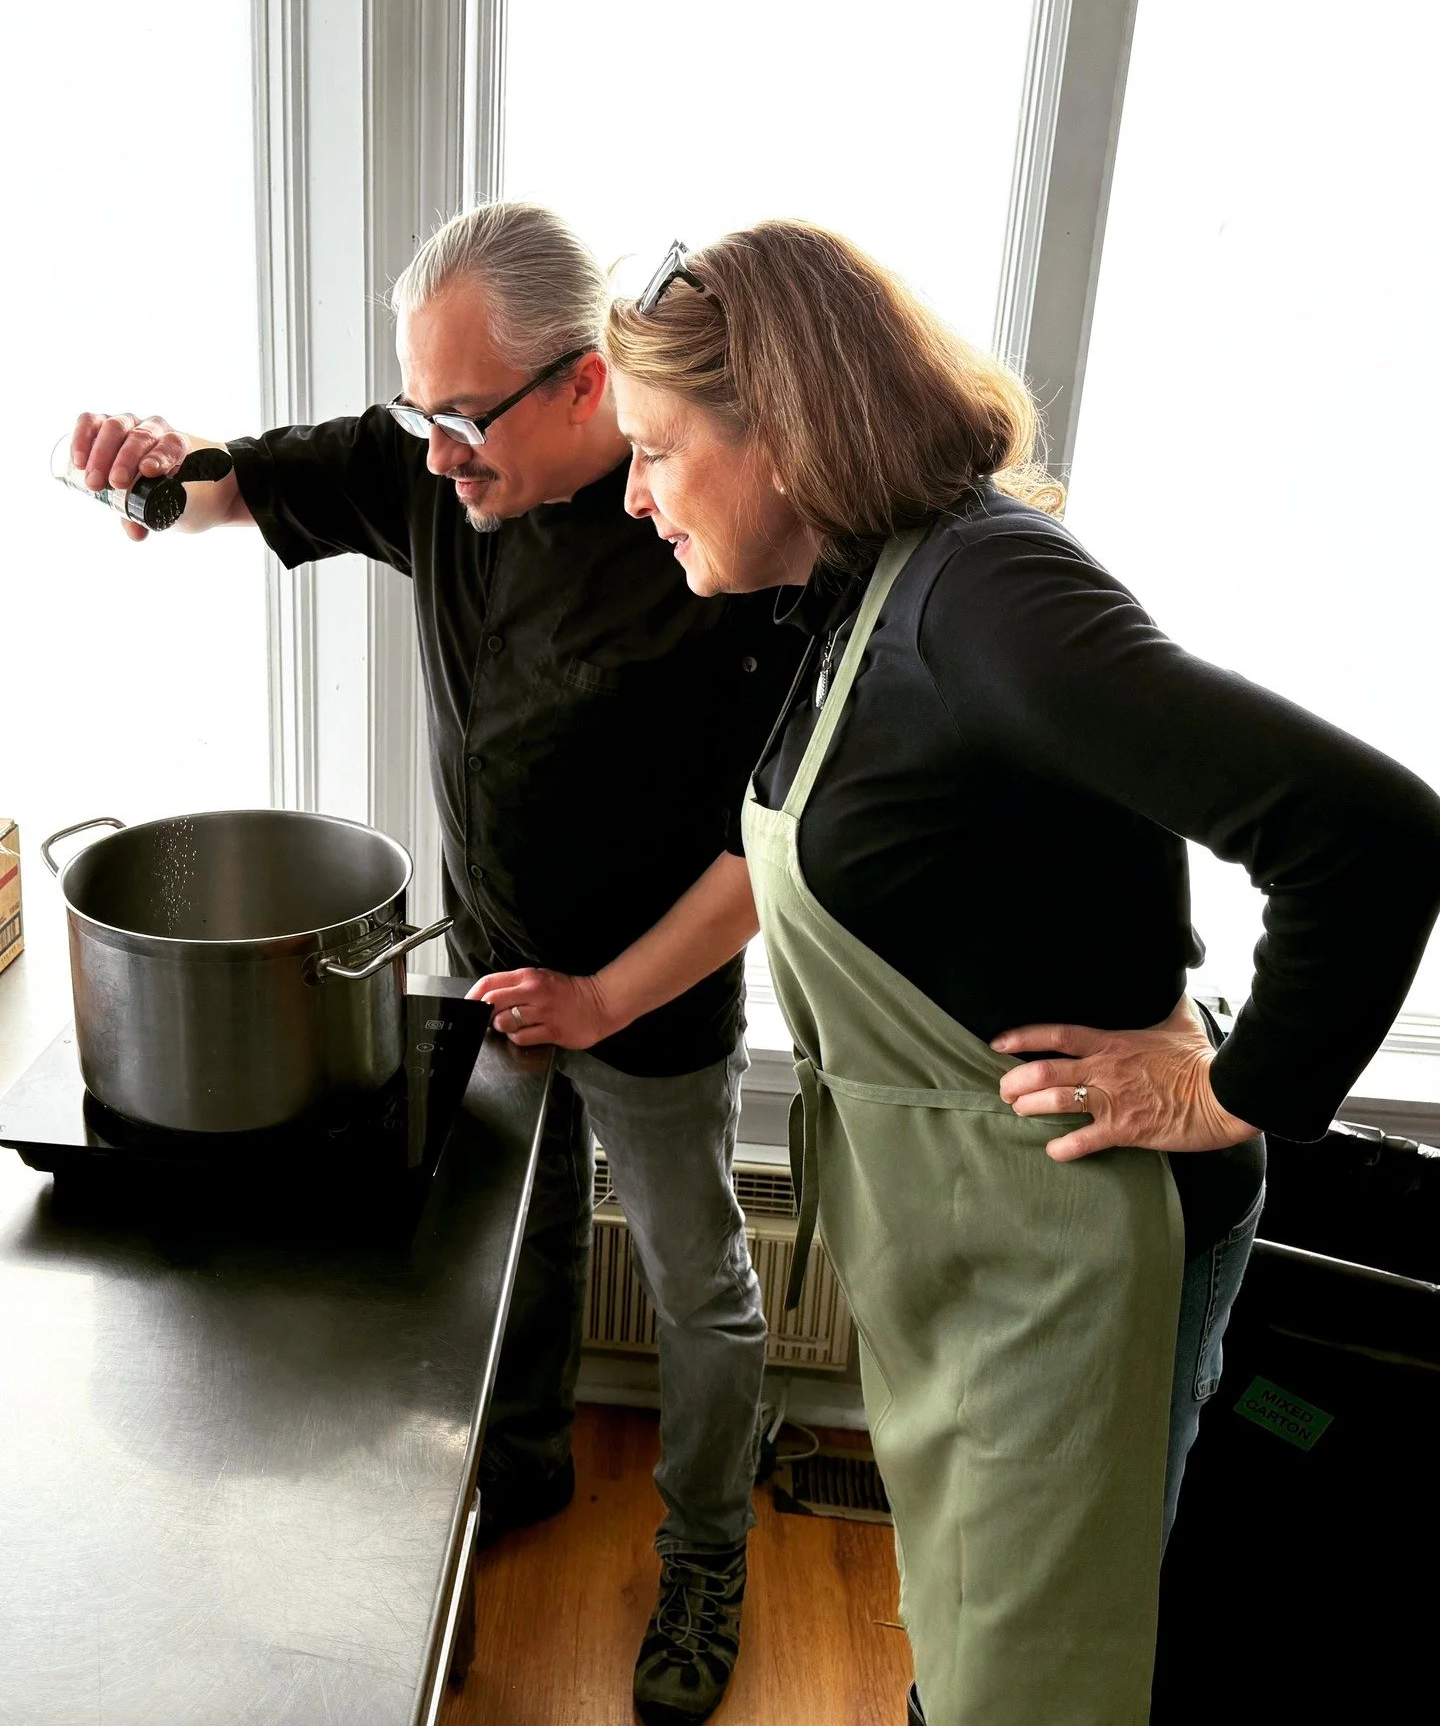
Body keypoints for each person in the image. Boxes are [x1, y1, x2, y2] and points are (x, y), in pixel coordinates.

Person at [603, 222, 1440, 1726]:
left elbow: (1370, 834)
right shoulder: (854, 588)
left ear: (780, 433)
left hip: (1085, 1249)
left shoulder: (991, 601)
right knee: (990, 1639)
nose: (635, 493)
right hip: (987, 1246)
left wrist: (1237, 1092)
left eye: (655, 450)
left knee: (1042, 1686)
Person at [67, 201, 804, 1726]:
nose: (436, 451)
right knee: (513, 1249)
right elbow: (227, 487)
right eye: (419, 410)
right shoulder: (432, 469)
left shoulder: (710, 526)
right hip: (489, 970)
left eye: (464, 417)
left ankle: (705, 1558)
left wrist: (606, 997)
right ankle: (521, 1461)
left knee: (699, 1288)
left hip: (652, 996)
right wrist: (148, 479)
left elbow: (766, 855)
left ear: (589, 386)